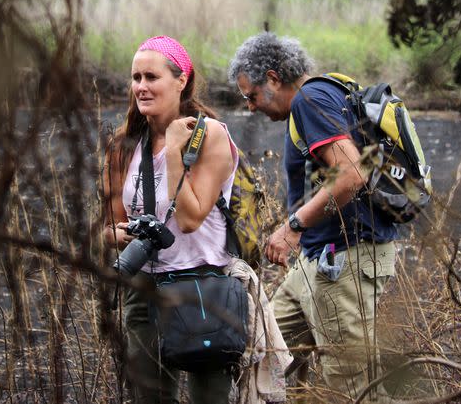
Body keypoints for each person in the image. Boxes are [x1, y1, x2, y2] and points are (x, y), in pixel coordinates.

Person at [228, 32, 398, 402]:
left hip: (345, 263)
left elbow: (352, 172)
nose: (251, 107)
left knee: (351, 388)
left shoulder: (310, 99)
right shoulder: (324, 92)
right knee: (267, 356)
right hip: (316, 263)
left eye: (251, 96)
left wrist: (293, 226)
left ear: (273, 78)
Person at [102, 35, 238, 404]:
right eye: (136, 78)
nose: (141, 87)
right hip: (144, 293)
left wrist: (176, 147)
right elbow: (109, 226)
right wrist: (116, 236)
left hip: (202, 290)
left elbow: (191, 218)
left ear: (182, 80)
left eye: (151, 77)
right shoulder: (123, 145)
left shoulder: (208, 136)